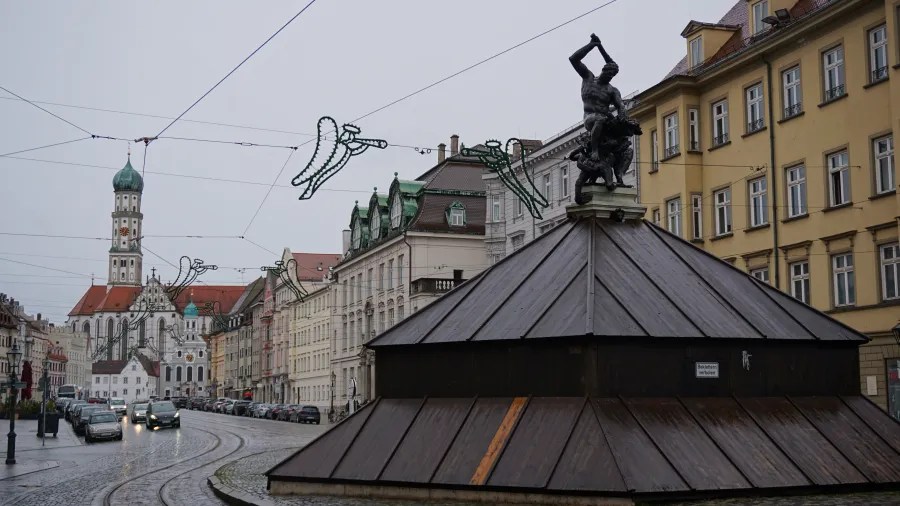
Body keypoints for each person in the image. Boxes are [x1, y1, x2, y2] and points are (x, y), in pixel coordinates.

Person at [570, 34, 629, 162]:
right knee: (599, 119)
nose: (609, 76)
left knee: (623, 142)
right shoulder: (588, 78)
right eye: (608, 73)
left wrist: (623, 118)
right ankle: (595, 150)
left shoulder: (612, 90)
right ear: (603, 70)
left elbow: (620, 106)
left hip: (606, 119)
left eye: (612, 75)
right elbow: (573, 59)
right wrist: (592, 45)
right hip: (589, 117)